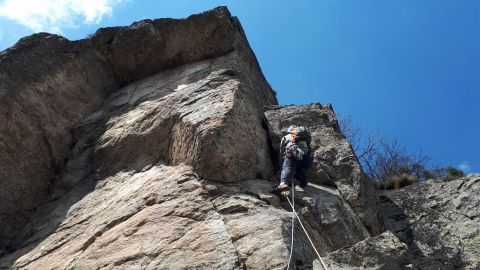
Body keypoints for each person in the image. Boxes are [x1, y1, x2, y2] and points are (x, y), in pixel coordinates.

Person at [277, 125, 312, 191]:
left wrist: (283, 159)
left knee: (287, 166)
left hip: (293, 151)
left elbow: (281, 150)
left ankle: (283, 183)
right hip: (306, 155)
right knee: (300, 169)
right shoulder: (304, 137)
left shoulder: (286, 137)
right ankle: (302, 184)